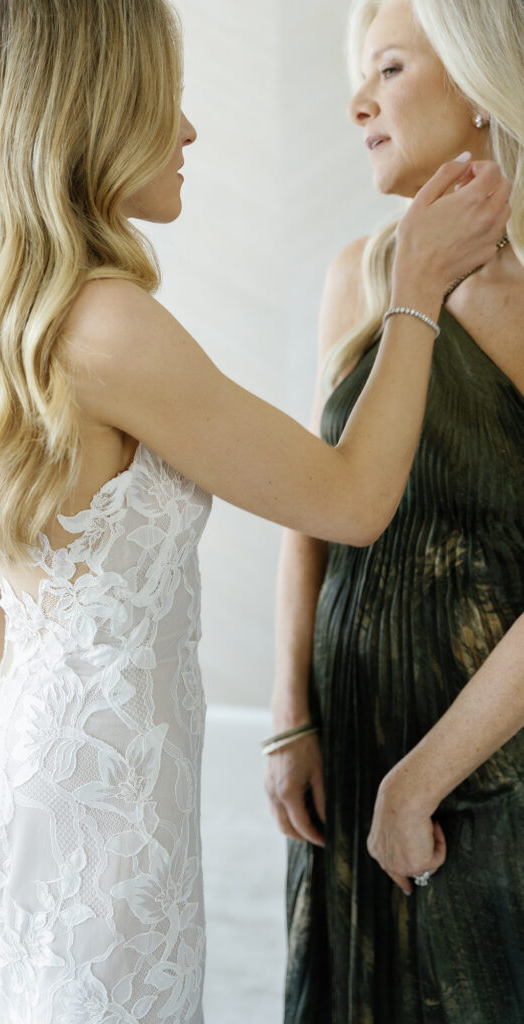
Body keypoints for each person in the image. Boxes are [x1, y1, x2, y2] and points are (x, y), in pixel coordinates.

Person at [0, 0, 510, 1021]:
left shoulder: (10, 309)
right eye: (160, 98)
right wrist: (416, 285)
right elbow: (352, 499)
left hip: (50, 790)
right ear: (92, 111)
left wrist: (87, 726)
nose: (186, 128)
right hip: (103, 834)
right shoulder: (108, 326)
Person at [266, 0, 524, 1021]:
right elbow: (310, 507)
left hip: (484, 774)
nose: (357, 103)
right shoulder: (359, 277)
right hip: (349, 743)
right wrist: (290, 717)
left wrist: (417, 784)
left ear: (479, 82)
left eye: (389, 69)